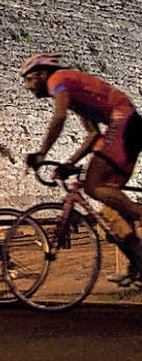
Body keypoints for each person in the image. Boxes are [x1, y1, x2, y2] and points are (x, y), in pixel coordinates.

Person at [20, 52, 142, 280]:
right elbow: (92, 134)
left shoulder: (59, 80)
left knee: (92, 186)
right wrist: (69, 164)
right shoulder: (76, 96)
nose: (27, 87)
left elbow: (59, 118)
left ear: (41, 74)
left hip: (123, 121)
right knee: (110, 206)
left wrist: (41, 153)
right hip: (127, 126)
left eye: (28, 79)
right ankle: (139, 264)